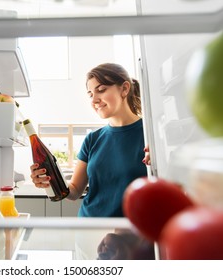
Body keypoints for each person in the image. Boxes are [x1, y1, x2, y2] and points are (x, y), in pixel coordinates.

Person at [30, 63, 150, 217]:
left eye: (101, 90)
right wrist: (50, 181)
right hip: (89, 228)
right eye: (90, 94)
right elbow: (74, 191)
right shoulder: (92, 139)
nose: (94, 100)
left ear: (125, 88)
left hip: (132, 233)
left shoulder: (150, 135)